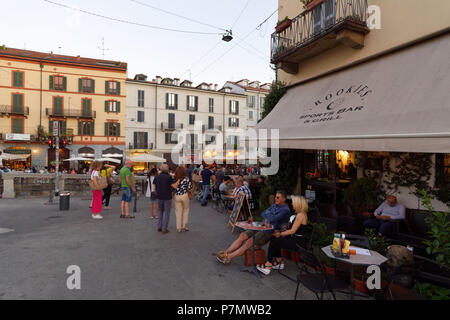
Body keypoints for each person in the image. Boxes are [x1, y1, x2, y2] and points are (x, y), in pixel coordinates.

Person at [216, 191, 291, 264]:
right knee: (242, 235)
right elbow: (263, 213)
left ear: (283, 199)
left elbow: (272, 219)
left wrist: (269, 214)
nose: (275, 199)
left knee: (249, 242)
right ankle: (226, 252)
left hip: (269, 231)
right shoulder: (275, 205)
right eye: (275, 197)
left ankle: (228, 257)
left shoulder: (285, 210)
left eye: (278, 197)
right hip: (262, 225)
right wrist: (270, 215)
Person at [256, 196, 309, 275]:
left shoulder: (301, 215)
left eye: (293, 202)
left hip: (298, 243)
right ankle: (278, 261)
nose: (292, 204)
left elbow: (292, 231)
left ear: (298, 204)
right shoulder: (300, 214)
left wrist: (280, 234)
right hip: (297, 240)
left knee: (275, 240)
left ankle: (268, 265)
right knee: (276, 238)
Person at [153, 164, 175, 234]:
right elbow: (173, 186)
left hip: (159, 196)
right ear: (167, 169)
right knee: (167, 213)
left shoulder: (157, 176)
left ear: (161, 169)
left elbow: (154, 187)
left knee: (160, 211)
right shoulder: (169, 177)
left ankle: (159, 226)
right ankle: (164, 229)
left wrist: (156, 192)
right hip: (167, 197)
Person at [172, 166, 193, 233]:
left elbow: (172, 187)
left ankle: (179, 228)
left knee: (178, 212)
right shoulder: (186, 179)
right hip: (185, 195)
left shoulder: (174, 178)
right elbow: (190, 187)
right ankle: (184, 225)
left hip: (177, 196)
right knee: (186, 210)